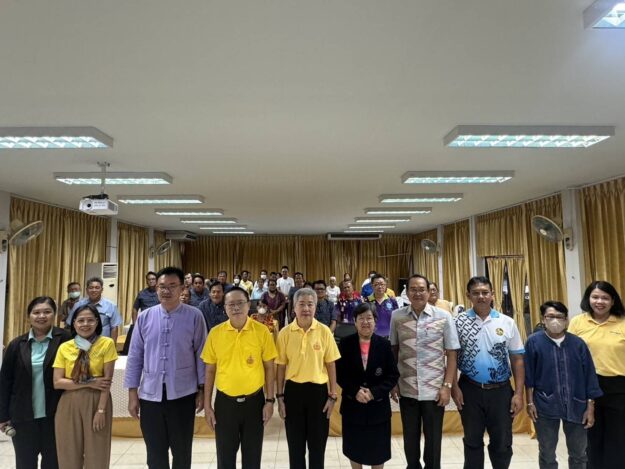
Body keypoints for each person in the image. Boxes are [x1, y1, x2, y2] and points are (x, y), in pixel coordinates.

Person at [125, 266, 207, 469]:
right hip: (150, 396)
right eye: (162, 286)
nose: (166, 291)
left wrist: (202, 389)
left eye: (172, 286)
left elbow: (201, 355)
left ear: (182, 288)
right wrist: (132, 393)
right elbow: (135, 356)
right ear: (156, 289)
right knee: (155, 453)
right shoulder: (145, 317)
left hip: (183, 394)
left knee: (182, 452)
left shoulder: (194, 316)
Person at [451, 276, 525, 469]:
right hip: (469, 389)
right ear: (468, 296)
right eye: (476, 293)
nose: (481, 297)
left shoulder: (506, 322)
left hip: (501, 391)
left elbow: (517, 359)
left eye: (485, 292)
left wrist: (518, 393)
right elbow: (451, 357)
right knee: (472, 441)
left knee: (502, 442)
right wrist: (454, 387)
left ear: (492, 295)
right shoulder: (457, 322)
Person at [202, 287, 277, 469]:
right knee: (225, 458)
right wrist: (207, 405)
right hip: (225, 404)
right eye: (231, 304)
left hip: (254, 403)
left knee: (252, 458)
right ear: (225, 308)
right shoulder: (215, 333)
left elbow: (269, 368)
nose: (236, 308)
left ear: (249, 305)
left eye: (240, 303)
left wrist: (269, 401)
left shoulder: (262, 331)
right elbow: (210, 371)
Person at [390, 274, 460, 469]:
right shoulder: (397, 316)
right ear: (407, 293)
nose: (418, 293)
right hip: (407, 389)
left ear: (429, 292)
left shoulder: (444, 316)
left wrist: (447, 386)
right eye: (413, 289)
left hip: (435, 391)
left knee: (434, 441)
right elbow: (393, 351)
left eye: (422, 289)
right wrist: (393, 382)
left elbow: (452, 354)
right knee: (410, 439)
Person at [524, 300, 602, 469]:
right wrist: (530, 403)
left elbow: (589, 376)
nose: (555, 320)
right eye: (550, 316)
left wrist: (590, 407)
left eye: (559, 317)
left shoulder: (578, 344)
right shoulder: (534, 342)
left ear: (566, 320)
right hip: (544, 403)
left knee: (579, 454)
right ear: (543, 319)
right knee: (547, 453)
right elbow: (529, 376)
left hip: (577, 404)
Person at [0, 297, 72, 469]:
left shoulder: (66, 339)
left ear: (54, 315)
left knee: (53, 463)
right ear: (29, 316)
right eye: (36, 312)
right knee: (25, 464)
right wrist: (2, 416)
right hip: (23, 416)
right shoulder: (16, 344)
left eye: (47, 312)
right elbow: (4, 382)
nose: (41, 316)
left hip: (56, 415)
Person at [276, 287, 341, 469]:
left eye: (310, 304)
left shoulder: (324, 331)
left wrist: (332, 395)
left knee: (317, 447)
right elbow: (280, 367)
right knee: (295, 447)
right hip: (293, 392)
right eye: (302, 304)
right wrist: (279, 397)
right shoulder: (285, 333)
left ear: (315, 307)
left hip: (318, 393)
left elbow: (331, 364)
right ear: (294, 307)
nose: (306, 308)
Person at [568, 281, 625, 469]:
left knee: (618, 438)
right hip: (586, 387)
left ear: (613, 301)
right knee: (590, 437)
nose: (599, 301)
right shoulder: (578, 322)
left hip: (618, 387)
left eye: (605, 298)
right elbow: (570, 355)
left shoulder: (622, 321)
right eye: (595, 297)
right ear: (588, 299)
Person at [53, 304, 117, 469]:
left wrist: (101, 411)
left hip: (97, 401)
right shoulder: (65, 347)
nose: (85, 324)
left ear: (97, 322)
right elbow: (58, 382)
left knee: (97, 454)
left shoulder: (106, 344)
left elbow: (106, 382)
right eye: (81, 320)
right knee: (68, 452)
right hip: (69, 402)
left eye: (90, 320)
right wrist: (91, 382)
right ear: (74, 323)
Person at [337, 302, 399, 469]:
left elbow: (393, 375)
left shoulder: (384, 345)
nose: (365, 322)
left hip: (378, 409)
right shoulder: (345, 344)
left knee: (378, 452)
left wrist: (373, 392)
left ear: (375, 321)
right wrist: (355, 391)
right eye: (361, 318)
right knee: (354, 449)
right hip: (352, 406)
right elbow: (340, 374)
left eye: (369, 318)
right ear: (355, 321)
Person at [67, 277, 123, 342]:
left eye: (97, 288)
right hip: (82, 343)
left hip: (103, 344)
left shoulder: (111, 306)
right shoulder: (78, 305)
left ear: (102, 289)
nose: (94, 290)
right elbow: (71, 325)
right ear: (87, 290)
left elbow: (114, 328)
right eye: (91, 288)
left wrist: (113, 345)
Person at [124, 271, 160, 355]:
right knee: (132, 329)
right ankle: (128, 354)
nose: (151, 281)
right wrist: (135, 324)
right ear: (146, 281)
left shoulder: (161, 293)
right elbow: (135, 309)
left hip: (158, 321)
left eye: (153, 279)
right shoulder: (141, 293)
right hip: (145, 321)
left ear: (157, 280)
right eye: (149, 279)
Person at [365, 274, 398, 339]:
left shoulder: (392, 301)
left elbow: (397, 320)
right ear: (372, 286)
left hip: (389, 337)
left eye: (382, 284)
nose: (380, 287)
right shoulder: (366, 302)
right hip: (372, 337)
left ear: (385, 286)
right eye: (376, 284)